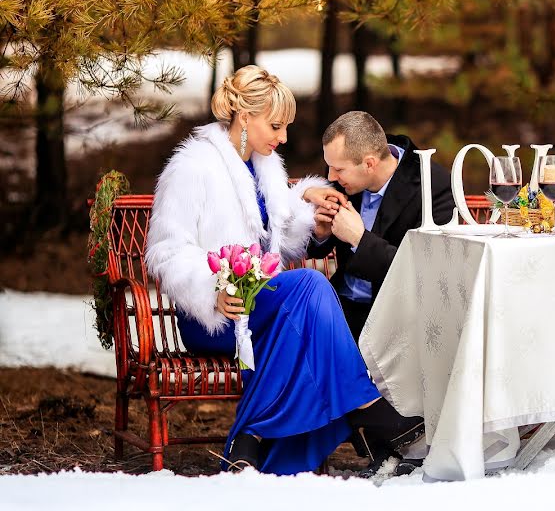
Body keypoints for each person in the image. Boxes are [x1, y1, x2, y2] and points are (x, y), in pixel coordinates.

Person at [145, 66, 422, 475]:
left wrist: (315, 220)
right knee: (311, 286)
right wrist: (212, 291)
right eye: (276, 125)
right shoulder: (193, 167)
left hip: (263, 305)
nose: (284, 137)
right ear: (244, 116)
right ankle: (368, 408)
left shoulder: (263, 166)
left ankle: (247, 443)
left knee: (305, 311)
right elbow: (167, 251)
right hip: (219, 313)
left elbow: (277, 238)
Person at [308, 111, 455, 341]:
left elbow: (424, 273)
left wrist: (359, 239)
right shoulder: (347, 172)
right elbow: (314, 247)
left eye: (338, 169)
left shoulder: (433, 186)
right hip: (340, 309)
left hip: (397, 323)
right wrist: (320, 234)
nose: (331, 177)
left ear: (369, 163)